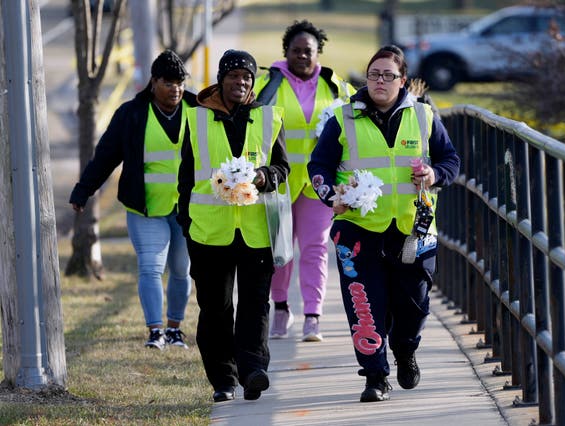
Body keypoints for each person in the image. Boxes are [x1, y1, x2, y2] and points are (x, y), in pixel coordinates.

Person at [307, 45, 460, 402]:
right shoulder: (342, 119)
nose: (380, 81)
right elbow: (319, 167)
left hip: (413, 229)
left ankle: (405, 349)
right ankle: (375, 375)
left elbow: (450, 160)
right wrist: (331, 195)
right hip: (358, 230)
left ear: (402, 80)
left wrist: (434, 173)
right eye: (374, 74)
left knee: (414, 305)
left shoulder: (423, 116)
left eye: (388, 75)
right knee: (364, 302)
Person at [177, 50, 289, 403]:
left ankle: (253, 368)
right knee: (216, 308)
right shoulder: (195, 120)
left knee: (256, 304)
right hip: (209, 233)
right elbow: (185, 178)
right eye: (234, 76)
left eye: (246, 77)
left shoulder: (270, 118)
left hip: (256, 232)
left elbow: (282, 169)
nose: (240, 82)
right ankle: (223, 379)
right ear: (221, 79)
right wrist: (186, 223)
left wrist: (264, 175)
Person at [69, 50, 195, 350]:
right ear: (153, 82)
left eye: (179, 82)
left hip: (188, 209)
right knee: (151, 267)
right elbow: (106, 156)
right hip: (145, 207)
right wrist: (83, 190)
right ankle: (155, 330)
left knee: (181, 269)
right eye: (168, 82)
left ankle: (175, 327)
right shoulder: (131, 114)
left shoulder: (197, 108)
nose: (175, 88)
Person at [254, 20, 355, 342]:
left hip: (318, 184)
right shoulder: (267, 86)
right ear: (286, 53)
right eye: (295, 51)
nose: (301, 56)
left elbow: (361, 115)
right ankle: (281, 309)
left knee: (315, 249)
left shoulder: (336, 88)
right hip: (279, 183)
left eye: (307, 51)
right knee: (280, 251)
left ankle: (313, 316)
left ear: (318, 53)